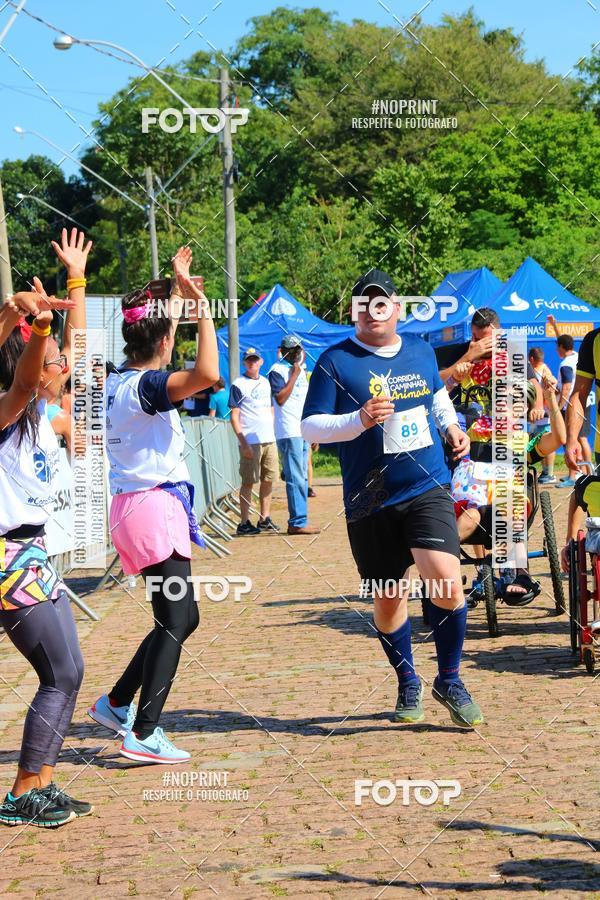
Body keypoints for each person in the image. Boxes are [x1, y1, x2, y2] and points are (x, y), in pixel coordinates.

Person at [302, 269, 483, 728]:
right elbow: (309, 427)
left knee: (446, 581)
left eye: (381, 303)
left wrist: (451, 427)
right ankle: (407, 679)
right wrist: (359, 420)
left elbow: (436, 396)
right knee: (388, 599)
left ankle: (450, 679)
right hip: (370, 499)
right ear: (354, 312)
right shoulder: (335, 362)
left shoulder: (420, 350)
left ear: (397, 309)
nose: (373, 312)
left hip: (427, 485)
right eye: (364, 304)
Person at [88, 247, 219, 764]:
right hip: (152, 510)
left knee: (183, 616)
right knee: (174, 619)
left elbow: (165, 342)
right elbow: (207, 372)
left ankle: (116, 702)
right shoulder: (146, 387)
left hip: (133, 508)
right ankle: (143, 731)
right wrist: (201, 309)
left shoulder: (116, 379)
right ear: (165, 341)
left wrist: (178, 295)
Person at [0, 228, 93, 827]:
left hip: (32, 554)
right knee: (58, 672)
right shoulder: (10, 412)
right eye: (53, 359)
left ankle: (40, 783)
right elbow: (26, 379)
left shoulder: (43, 411)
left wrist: (76, 280)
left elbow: (76, 348)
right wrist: (32, 329)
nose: (65, 364)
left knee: (70, 671)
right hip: (8, 560)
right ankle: (19, 795)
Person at [268, 335, 320, 536]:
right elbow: (280, 399)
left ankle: (300, 519)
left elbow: (306, 402)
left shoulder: (303, 370)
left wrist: (313, 431)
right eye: (292, 350)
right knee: (296, 477)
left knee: (303, 477)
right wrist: (294, 375)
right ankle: (297, 522)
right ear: (282, 351)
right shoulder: (277, 370)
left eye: (298, 349)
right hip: (289, 431)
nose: (296, 353)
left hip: (303, 430)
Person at [229, 348, 279, 536]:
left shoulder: (265, 382)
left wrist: (272, 429)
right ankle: (244, 522)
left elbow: (271, 408)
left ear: (261, 362)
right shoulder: (238, 384)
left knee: (268, 479)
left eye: (255, 360)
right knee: (248, 482)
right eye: (249, 360)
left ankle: (264, 518)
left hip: (268, 439)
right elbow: (234, 416)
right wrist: (243, 442)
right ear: (244, 362)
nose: (252, 363)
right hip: (250, 440)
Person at [528, 347, 554, 483]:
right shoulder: (533, 371)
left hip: (544, 414)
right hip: (535, 416)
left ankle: (549, 473)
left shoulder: (544, 370)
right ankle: (545, 472)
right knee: (538, 444)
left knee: (547, 442)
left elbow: (553, 388)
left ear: (532, 358)